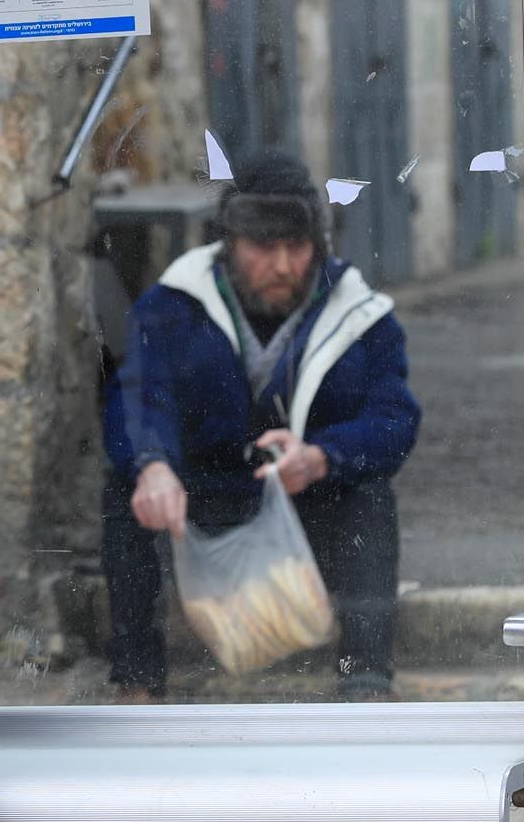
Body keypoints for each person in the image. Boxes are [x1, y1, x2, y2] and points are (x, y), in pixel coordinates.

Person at [101, 151, 422, 700]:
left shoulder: (361, 314)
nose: (280, 266)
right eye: (262, 247)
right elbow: (137, 396)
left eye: (296, 248)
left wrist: (323, 456)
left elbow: (393, 418)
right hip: (201, 508)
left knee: (369, 494)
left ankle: (366, 681)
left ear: (317, 246)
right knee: (127, 489)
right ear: (230, 245)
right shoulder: (173, 305)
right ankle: (138, 681)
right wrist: (154, 466)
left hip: (302, 511)